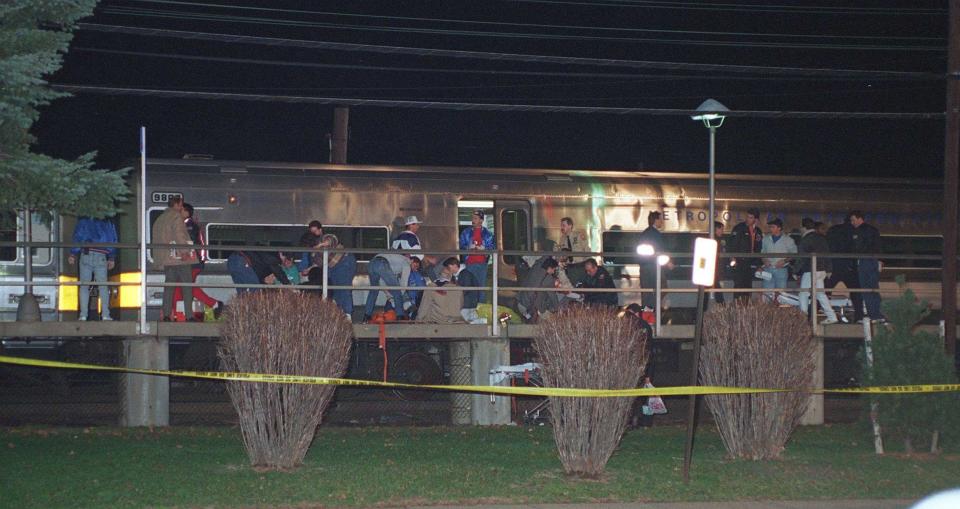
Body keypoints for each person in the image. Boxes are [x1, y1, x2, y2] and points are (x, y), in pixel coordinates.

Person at [171, 203, 224, 320]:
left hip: (192, 262)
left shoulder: (188, 226)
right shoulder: (189, 225)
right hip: (191, 262)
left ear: (186, 212)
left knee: (185, 286)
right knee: (180, 287)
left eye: (181, 210)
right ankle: (177, 314)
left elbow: (183, 244)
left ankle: (214, 304)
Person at [151, 196, 195, 321]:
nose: (182, 207)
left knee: (169, 287)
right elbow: (179, 235)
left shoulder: (160, 218)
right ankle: (189, 315)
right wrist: (185, 251)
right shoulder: (176, 217)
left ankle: (166, 314)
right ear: (176, 205)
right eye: (181, 205)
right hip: (179, 258)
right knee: (187, 286)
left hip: (166, 258)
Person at [68, 216, 118, 321]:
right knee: (103, 286)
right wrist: (112, 257)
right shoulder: (106, 221)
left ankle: (83, 315)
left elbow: (78, 236)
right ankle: (105, 315)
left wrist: (73, 253)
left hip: (86, 253)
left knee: (84, 286)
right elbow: (112, 238)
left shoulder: (83, 220)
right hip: (101, 255)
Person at [796, 219, 839, 324]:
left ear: (803, 228)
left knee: (803, 293)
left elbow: (801, 258)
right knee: (820, 294)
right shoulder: (821, 238)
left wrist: (795, 270)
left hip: (810, 270)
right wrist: (829, 269)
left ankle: (803, 317)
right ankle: (831, 316)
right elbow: (827, 254)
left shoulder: (805, 239)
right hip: (821, 270)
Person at [824, 218, 865, 324]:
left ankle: (822, 315)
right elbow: (857, 247)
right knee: (856, 292)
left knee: (824, 292)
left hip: (834, 265)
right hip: (850, 266)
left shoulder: (833, 230)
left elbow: (827, 247)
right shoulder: (854, 232)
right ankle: (859, 316)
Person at [364, 250, 418, 321]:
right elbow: (403, 285)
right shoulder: (407, 263)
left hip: (371, 264)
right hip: (382, 262)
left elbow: (382, 281)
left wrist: (389, 295)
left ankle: (366, 316)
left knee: (374, 291)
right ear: (412, 260)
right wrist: (397, 297)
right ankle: (400, 316)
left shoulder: (395, 265)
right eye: (415, 265)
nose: (415, 269)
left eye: (417, 268)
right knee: (397, 290)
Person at [850, 210, 884, 322]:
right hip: (874, 260)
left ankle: (874, 315)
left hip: (865, 261)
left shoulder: (858, 231)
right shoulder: (873, 230)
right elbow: (878, 246)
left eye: (853, 220)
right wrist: (879, 260)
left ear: (860, 219)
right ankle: (878, 314)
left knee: (866, 289)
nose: (852, 222)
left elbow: (858, 247)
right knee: (873, 288)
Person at [637, 211, 674, 310]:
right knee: (660, 288)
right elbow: (659, 249)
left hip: (645, 266)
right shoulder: (655, 234)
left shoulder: (645, 233)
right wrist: (668, 262)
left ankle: (647, 313)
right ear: (655, 220)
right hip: (653, 267)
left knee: (647, 292)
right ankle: (653, 310)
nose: (662, 222)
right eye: (660, 219)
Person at [416, 257, 467, 323]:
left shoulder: (431, 287)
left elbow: (424, 306)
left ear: (440, 274)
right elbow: (461, 305)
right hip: (455, 320)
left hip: (438, 321)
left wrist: (418, 320)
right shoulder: (459, 289)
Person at [728, 208, 763, 302]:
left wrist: (758, 264)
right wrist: (733, 258)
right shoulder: (739, 228)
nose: (748, 219)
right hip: (739, 261)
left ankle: (745, 308)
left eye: (751, 217)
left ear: (756, 220)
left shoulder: (758, 231)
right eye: (747, 217)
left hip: (750, 262)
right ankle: (737, 307)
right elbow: (732, 244)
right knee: (739, 285)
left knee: (748, 286)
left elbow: (758, 249)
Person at [458, 210, 494, 302]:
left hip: (482, 264)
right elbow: (461, 246)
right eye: (472, 218)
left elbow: (491, 249)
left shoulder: (488, 234)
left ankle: (480, 308)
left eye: (475, 218)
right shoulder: (466, 232)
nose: (473, 220)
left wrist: (484, 249)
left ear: (481, 220)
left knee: (481, 287)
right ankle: (469, 307)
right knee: (469, 287)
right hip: (469, 263)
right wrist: (468, 247)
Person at [760, 218, 797, 303]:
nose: (771, 229)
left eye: (773, 227)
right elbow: (762, 252)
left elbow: (794, 254)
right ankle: (767, 312)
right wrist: (764, 259)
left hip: (781, 269)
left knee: (781, 294)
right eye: (770, 227)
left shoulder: (788, 240)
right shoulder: (766, 239)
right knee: (767, 293)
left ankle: (779, 313)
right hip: (768, 268)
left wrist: (784, 261)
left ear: (779, 228)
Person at [517, 256, 560, 322]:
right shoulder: (548, 279)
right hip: (529, 307)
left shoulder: (535, 268)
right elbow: (552, 296)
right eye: (553, 269)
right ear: (549, 268)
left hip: (520, 300)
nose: (553, 272)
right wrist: (558, 309)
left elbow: (539, 261)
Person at [323, 234, 357, 316]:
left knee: (342, 289)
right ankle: (345, 314)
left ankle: (346, 314)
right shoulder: (336, 249)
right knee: (340, 289)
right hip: (341, 262)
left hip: (342, 262)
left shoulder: (324, 244)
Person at [554, 217, 589, 284]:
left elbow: (586, 249)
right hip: (570, 267)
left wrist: (587, 262)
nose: (561, 227)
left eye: (563, 225)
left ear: (570, 226)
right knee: (573, 285)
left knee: (583, 284)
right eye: (561, 225)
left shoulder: (578, 235)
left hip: (580, 265)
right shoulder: (562, 239)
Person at [712, 221, 727, 305]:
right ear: (715, 229)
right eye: (720, 229)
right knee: (717, 289)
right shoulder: (710, 239)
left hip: (720, 268)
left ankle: (721, 305)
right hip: (713, 269)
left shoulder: (723, 240)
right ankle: (722, 306)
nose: (722, 231)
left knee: (718, 288)